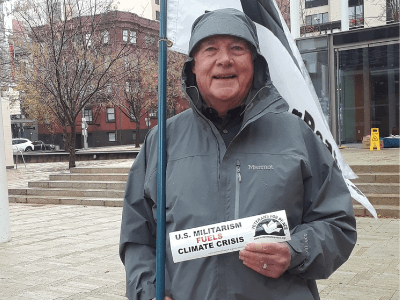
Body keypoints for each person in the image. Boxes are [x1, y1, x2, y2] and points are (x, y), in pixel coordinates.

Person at [120, 8, 357, 300]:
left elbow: (338, 223)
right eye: (210, 49)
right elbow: (137, 238)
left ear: (255, 64)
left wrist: (296, 251)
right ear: (193, 65)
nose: (224, 59)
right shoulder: (162, 141)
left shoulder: (297, 134)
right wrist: (147, 292)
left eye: (237, 48)